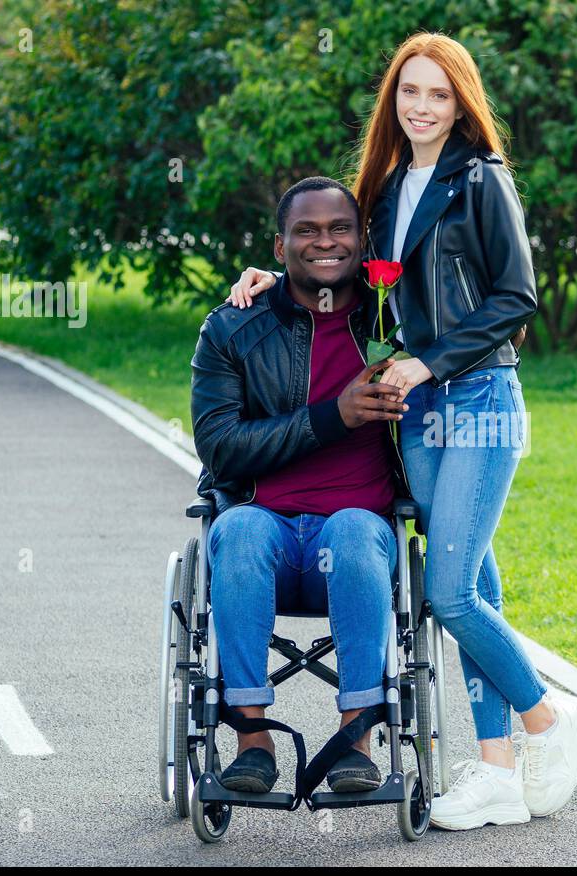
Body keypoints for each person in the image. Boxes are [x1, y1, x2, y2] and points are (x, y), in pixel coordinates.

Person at [227, 33, 577, 831]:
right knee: (477, 580)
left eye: (439, 95)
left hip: (481, 396)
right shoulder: (388, 189)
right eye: (409, 93)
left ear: (462, 103)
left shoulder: (482, 180)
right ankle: (496, 770)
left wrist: (426, 362)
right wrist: (269, 274)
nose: (422, 107)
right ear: (393, 103)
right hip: (419, 413)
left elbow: (516, 296)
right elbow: (345, 263)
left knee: (447, 591)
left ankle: (546, 721)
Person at [191, 176, 412, 795]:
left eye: (340, 228)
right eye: (305, 231)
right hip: (269, 534)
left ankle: (356, 738)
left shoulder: (393, 318)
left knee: (352, 531)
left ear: (362, 238)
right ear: (280, 242)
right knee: (234, 530)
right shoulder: (234, 329)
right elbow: (221, 447)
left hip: (357, 536)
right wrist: (331, 417)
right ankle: (252, 741)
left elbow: (488, 329)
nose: (325, 242)